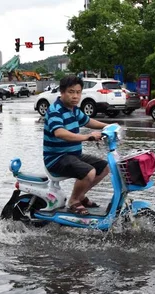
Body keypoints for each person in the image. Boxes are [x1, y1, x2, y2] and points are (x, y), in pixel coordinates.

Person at [43, 75, 110, 216]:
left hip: (73, 156)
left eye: (78, 92)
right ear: (62, 92)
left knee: (105, 167)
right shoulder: (55, 110)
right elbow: (60, 133)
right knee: (89, 172)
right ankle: (74, 201)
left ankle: (80, 195)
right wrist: (87, 137)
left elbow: (88, 121)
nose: (75, 96)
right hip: (56, 159)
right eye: (71, 92)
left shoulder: (73, 109)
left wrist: (109, 126)